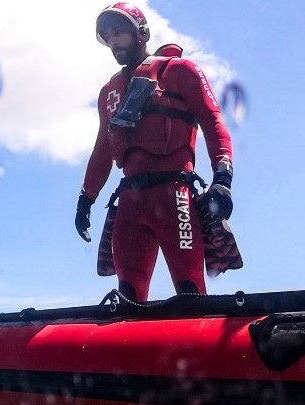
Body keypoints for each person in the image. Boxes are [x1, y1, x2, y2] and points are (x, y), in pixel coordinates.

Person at [75, 2, 235, 303]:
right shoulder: (109, 92)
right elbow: (102, 150)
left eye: (119, 31)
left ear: (142, 33)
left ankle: (197, 344)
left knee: (190, 293)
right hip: (130, 203)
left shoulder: (180, 71)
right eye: (108, 36)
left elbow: (213, 122)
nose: (113, 41)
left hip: (175, 196)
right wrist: (87, 198)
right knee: (128, 298)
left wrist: (222, 177)